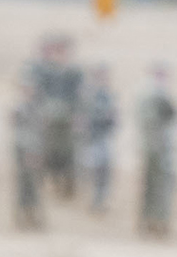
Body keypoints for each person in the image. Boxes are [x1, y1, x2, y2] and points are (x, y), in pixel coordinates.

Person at [28, 36, 83, 202]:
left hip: (67, 120)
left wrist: (78, 116)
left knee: (69, 153)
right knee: (49, 151)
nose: (60, 55)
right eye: (57, 51)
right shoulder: (46, 72)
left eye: (63, 52)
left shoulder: (74, 73)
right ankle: (49, 180)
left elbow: (79, 97)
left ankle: (68, 183)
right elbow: (40, 95)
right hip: (50, 118)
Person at [136, 65, 177, 237]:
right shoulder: (153, 96)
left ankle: (153, 220)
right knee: (158, 186)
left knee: (154, 186)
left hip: (155, 148)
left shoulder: (149, 96)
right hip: (157, 149)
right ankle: (156, 220)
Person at [11, 73, 48, 231]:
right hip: (24, 150)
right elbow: (20, 133)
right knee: (23, 184)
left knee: (34, 185)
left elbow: (41, 132)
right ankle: (23, 215)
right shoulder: (20, 108)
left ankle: (32, 215)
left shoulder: (38, 108)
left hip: (34, 150)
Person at [80, 65, 118, 214]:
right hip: (92, 140)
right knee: (94, 173)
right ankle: (94, 200)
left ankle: (101, 200)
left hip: (105, 138)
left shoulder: (108, 95)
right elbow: (85, 118)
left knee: (105, 172)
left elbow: (114, 118)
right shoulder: (88, 95)